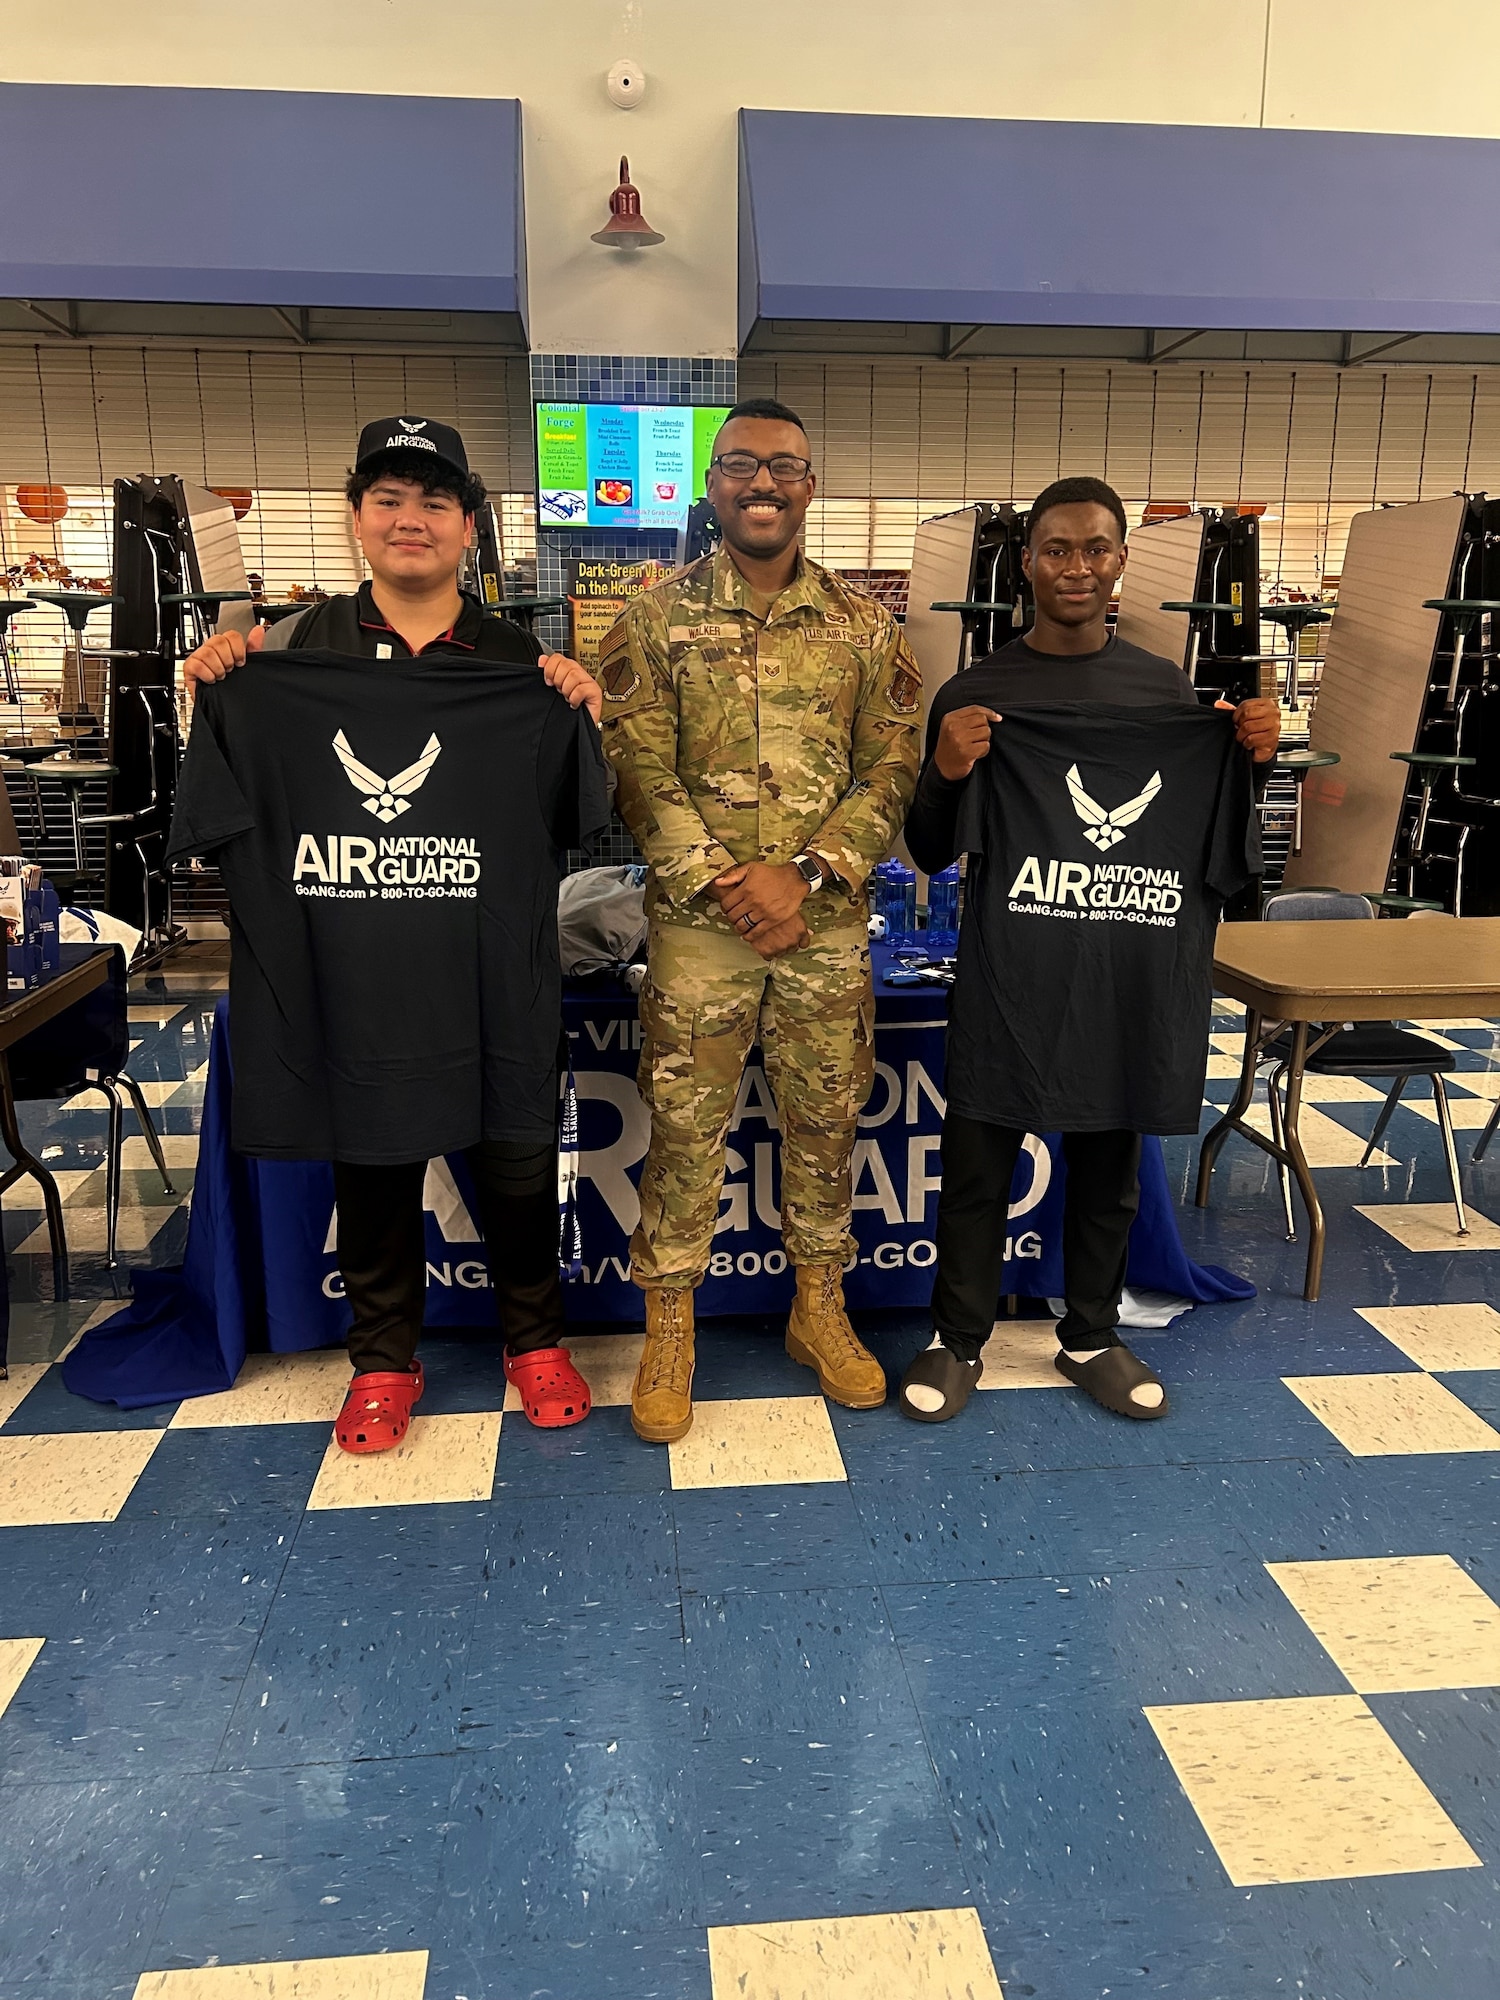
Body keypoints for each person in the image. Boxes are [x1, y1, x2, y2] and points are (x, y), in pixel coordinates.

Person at [182, 415, 604, 1448]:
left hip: (488, 975)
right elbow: (217, 816)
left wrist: (577, 705)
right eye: (388, 500)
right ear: (356, 518)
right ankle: (383, 1359)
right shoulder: (286, 654)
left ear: (468, 525)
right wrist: (218, 689)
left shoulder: (519, 663)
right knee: (368, 1163)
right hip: (350, 976)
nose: (410, 520)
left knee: (513, 1161)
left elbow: (584, 814)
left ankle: (534, 1341)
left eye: (434, 502)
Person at [897, 475, 1280, 1425]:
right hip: (1011, 970)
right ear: (1027, 563)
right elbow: (930, 845)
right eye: (1057, 549)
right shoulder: (978, 690)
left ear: (1120, 562)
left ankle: (1092, 1335)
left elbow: (1225, 855)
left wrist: (1252, 760)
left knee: (1108, 1166)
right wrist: (946, 770)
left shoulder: (1163, 691)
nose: (1078, 566)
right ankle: (958, 1341)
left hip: (1126, 972)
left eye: (1097, 548)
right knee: (978, 1162)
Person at [596, 397, 923, 1443]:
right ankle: (670, 1326)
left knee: (826, 1124)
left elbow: (893, 766)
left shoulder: (868, 627)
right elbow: (636, 769)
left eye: (783, 465)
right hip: (699, 933)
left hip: (823, 928)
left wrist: (809, 875)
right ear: (712, 485)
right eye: (740, 464)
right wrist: (730, 883)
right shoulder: (653, 618)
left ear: (810, 484)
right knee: (685, 1131)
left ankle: (817, 1308)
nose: (762, 483)